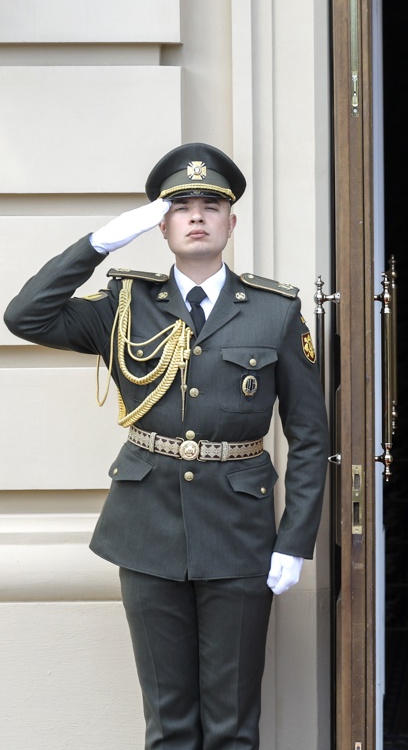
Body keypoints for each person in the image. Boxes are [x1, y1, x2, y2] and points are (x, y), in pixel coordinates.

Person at [4, 142, 329, 749]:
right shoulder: (125, 305)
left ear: (231, 222)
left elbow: (309, 435)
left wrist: (294, 538)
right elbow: (26, 316)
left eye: (211, 205)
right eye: (181, 206)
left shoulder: (275, 312)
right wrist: (98, 245)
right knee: (169, 724)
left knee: (233, 726)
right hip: (146, 527)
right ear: (161, 224)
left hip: (239, 532)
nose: (196, 215)